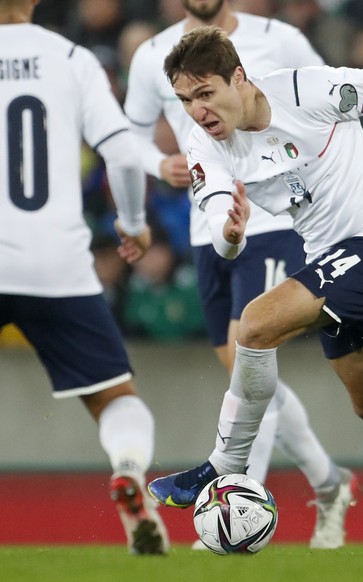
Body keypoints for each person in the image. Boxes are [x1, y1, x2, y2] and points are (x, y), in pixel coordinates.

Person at [146, 26, 363, 555]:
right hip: (329, 262)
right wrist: (230, 232)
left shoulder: (306, 91)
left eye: (205, 94)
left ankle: (223, 466)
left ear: (238, 78)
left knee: (255, 323)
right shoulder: (204, 144)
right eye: (185, 100)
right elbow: (221, 222)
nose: (197, 111)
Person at [123, 0, 355, 550]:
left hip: (276, 221)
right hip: (213, 227)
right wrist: (161, 165)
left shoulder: (279, 38)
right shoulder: (152, 54)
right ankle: (329, 482)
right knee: (250, 378)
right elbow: (126, 134)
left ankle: (233, 511)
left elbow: (330, 102)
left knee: (252, 360)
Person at [0, 0, 168, 555]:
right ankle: (127, 471)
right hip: (56, 261)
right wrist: (135, 223)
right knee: (115, 397)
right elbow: (122, 154)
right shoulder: (70, 57)